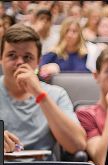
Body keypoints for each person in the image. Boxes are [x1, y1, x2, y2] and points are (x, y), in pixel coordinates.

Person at [0, 24, 86, 156]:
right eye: (12, 55)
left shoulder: (56, 94)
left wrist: (40, 94)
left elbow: (77, 145)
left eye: (28, 57)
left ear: (39, 61)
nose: (19, 62)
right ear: (1, 59)